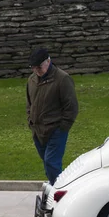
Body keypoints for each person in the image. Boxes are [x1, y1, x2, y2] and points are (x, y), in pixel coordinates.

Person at [26, 48, 78, 185]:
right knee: (48, 163)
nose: (37, 70)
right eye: (33, 67)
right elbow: (29, 103)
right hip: (37, 131)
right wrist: (30, 121)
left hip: (56, 130)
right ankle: (58, 189)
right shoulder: (31, 80)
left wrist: (63, 128)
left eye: (39, 67)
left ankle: (59, 193)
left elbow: (71, 107)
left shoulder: (62, 79)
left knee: (51, 163)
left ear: (48, 61)